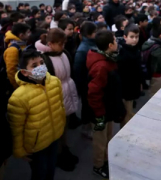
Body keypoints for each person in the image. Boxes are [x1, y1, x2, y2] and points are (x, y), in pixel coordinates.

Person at [7, 50, 65, 180]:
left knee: (51, 169)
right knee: (39, 173)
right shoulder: (19, 97)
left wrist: (61, 124)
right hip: (36, 146)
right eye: (34, 65)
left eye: (42, 63)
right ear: (24, 72)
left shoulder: (54, 82)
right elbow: (16, 128)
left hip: (54, 136)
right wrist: (19, 150)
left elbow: (60, 106)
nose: (40, 67)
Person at [35, 29, 79, 171]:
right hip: (53, 98)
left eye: (64, 43)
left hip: (66, 93)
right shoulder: (42, 59)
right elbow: (39, 85)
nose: (63, 46)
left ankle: (64, 149)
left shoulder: (63, 53)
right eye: (60, 43)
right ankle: (58, 155)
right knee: (56, 128)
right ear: (50, 44)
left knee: (64, 125)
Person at [87, 30, 125, 178]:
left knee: (108, 137)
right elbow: (93, 93)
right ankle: (98, 165)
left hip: (107, 108)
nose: (117, 42)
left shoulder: (108, 59)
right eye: (115, 40)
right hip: (100, 112)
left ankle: (105, 159)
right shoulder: (101, 66)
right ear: (110, 45)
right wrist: (99, 115)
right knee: (100, 141)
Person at [74, 22, 97, 138]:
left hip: (90, 82)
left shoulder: (92, 45)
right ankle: (86, 127)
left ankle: (89, 125)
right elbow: (78, 70)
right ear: (89, 34)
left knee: (90, 105)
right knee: (87, 106)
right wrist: (80, 87)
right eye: (95, 32)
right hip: (86, 83)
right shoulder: (83, 50)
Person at [117, 24, 142, 125]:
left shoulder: (136, 50)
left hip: (133, 86)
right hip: (125, 89)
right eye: (132, 37)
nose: (135, 40)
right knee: (125, 114)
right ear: (125, 37)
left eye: (137, 37)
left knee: (129, 110)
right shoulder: (122, 52)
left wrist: (140, 83)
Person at [141, 24, 161, 96]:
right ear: (160, 35)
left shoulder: (150, 42)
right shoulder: (157, 48)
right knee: (155, 92)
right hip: (157, 73)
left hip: (154, 72)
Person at [4, 23, 31, 90]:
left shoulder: (22, 43)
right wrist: (17, 86)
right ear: (21, 35)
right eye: (28, 32)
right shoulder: (13, 49)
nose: (30, 34)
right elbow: (11, 71)